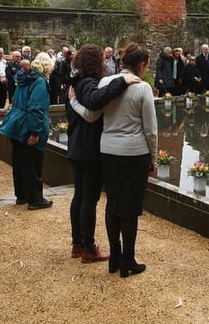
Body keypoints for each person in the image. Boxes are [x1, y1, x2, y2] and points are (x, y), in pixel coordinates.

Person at [65, 44, 139, 262]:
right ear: (96, 62)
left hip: (78, 146)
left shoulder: (75, 82)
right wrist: (122, 80)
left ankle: (78, 244)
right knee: (88, 198)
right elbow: (95, 104)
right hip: (88, 149)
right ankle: (88, 247)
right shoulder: (87, 83)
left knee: (80, 196)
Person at [98, 43, 157, 277]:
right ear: (141, 65)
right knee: (129, 209)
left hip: (108, 150)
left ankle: (114, 257)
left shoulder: (104, 83)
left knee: (112, 203)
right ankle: (128, 260)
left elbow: (93, 112)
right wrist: (153, 157)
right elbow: (151, 129)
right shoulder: (143, 88)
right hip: (134, 153)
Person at [0, 52, 55, 210]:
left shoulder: (24, 78)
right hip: (26, 126)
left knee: (19, 162)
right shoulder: (39, 82)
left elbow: (16, 100)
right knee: (32, 163)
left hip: (15, 123)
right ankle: (35, 199)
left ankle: (22, 195)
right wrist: (36, 132)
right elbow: (36, 108)